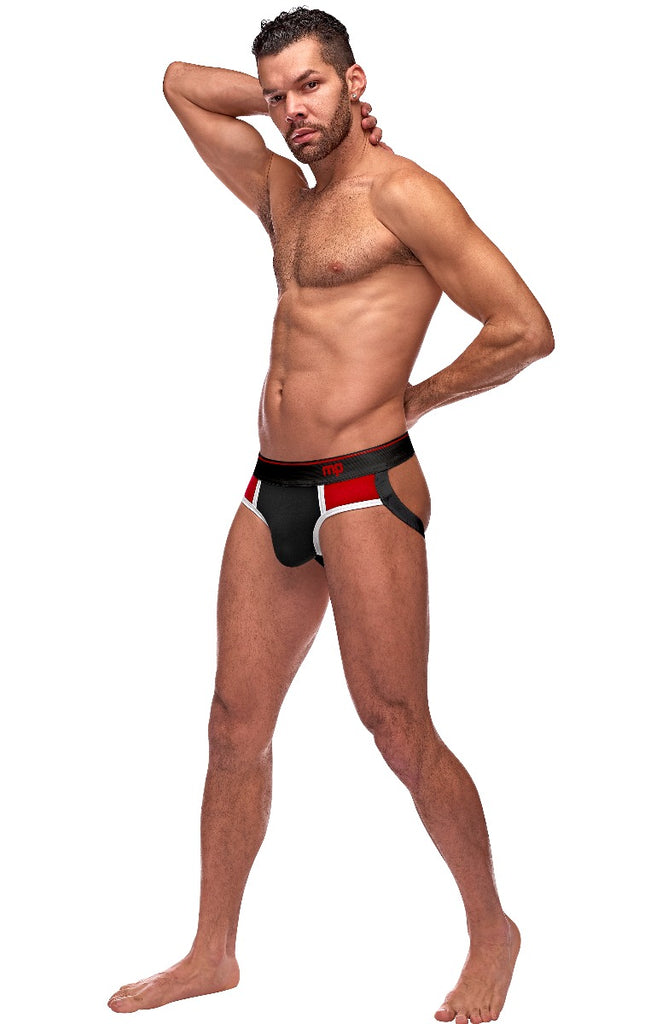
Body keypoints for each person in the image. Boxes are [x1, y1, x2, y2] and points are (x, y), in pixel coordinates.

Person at [108, 8, 553, 1023]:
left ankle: (492, 930)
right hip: (271, 487)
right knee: (233, 726)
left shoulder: (404, 194)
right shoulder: (284, 196)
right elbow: (178, 81)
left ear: (357, 82)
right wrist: (278, 109)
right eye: (276, 95)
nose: (290, 110)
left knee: (395, 726)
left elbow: (523, 327)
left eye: (311, 85)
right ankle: (212, 952)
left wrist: (418, 398)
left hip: (365, 486)